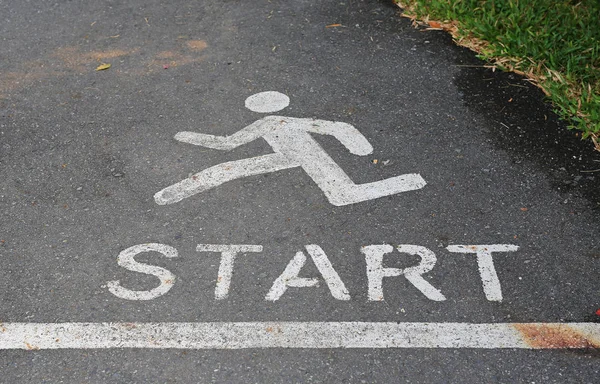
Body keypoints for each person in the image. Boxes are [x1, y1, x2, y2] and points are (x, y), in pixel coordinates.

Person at [154, 91, 426, 206]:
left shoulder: (277, 121)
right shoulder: (274, 121)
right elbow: (336, 127)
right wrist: (359, 147)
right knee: (228, 168)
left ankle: (407, 181)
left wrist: (359, 147)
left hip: (308, 155)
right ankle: (173, 192)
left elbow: (227, 144)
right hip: (288, 156)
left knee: (343, 194)